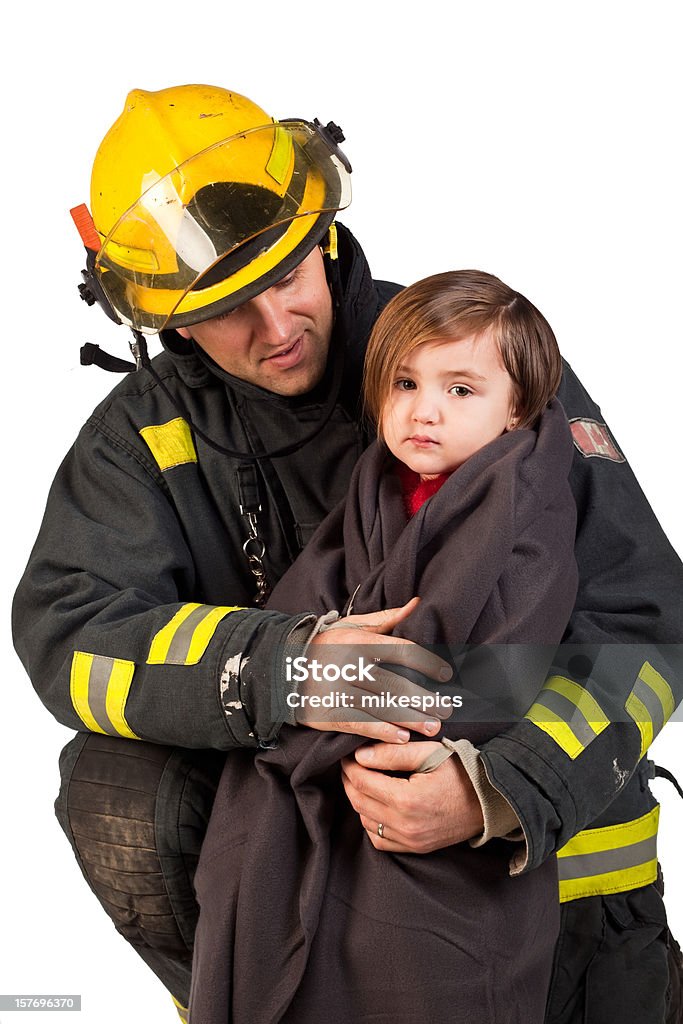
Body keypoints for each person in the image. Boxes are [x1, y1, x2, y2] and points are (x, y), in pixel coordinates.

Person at [11, 84, 683, 1024]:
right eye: (228, 307)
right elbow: (69, 639)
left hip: (560, 897)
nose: (276, 326)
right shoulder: (145, 438)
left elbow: (648, 625)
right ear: (167, 318)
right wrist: (276, 671)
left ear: (321, 234)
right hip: (310, 881)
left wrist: (501, 789)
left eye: (287, 275)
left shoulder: (467, 353)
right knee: (109, 789)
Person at [189, 269, 580, 1023]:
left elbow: (505, 668)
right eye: (402, 383)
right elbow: (301, 619)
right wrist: (297, 678)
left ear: (516, 410)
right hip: (346, 766)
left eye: (459, 390)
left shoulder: (522, 502)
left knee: (423, 972)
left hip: (435, 778)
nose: (422, 411)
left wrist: (353, 708)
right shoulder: (376, 485)